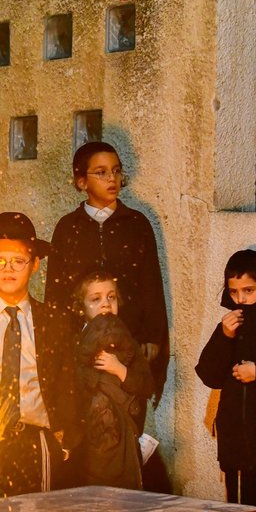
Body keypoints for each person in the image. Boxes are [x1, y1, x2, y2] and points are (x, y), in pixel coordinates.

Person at [0, 212, 78, 499]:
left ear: (34, 265)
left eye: (18, 261)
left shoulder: (54, 320)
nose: (8, 269)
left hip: (39, 440)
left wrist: (67, 438)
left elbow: (67, 381)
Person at [45, 141, 169, 396]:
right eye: (101, 172)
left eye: (116, 170)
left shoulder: (136, 224)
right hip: (80, 344)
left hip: (129, 340)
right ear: (82, 182)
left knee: (127, 412)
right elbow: (56, 289)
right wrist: (60, 339)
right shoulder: (68, 227)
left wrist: (152, 336)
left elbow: (151, 283)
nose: (111, 178)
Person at [194, 249, 256, 506]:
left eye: (248, 290)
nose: (240, 299)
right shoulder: (230, 323)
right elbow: (209, 375)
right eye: (234, 292)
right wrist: (225, 336)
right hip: (234, 432)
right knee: (235, 508)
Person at [73, 271, 151, 489]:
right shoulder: (75, 342)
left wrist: (120, 369)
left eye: (111, 297)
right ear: (82, 307)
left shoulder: (128, 341)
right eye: (96, 299)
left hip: (123, 438)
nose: (105, 304)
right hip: (90, 438)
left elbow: (146, 386)